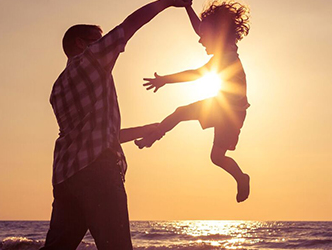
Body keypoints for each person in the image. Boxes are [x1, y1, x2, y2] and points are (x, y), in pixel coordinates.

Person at [43, 1, 191, 249]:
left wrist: (143, 130)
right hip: (98, 173)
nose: (105, 45)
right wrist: (167, 2)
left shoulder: (57, 88)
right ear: (81, 43)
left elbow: (94, 136)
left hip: (65, 177)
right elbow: (128, 27)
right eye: (98, 39)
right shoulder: (91, 60)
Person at [135, 0, 252, 203]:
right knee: (211, 152)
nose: (200, 40)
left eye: (204, 37)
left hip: (231, 112)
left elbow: (196, 74)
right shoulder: (224, 45)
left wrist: (165, 79)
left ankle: (242, 177)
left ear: (217, 35)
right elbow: (201, 29)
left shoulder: (226, 57)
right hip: (223, 106)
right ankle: (153, 137)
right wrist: (187, 7)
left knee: (211, 151)